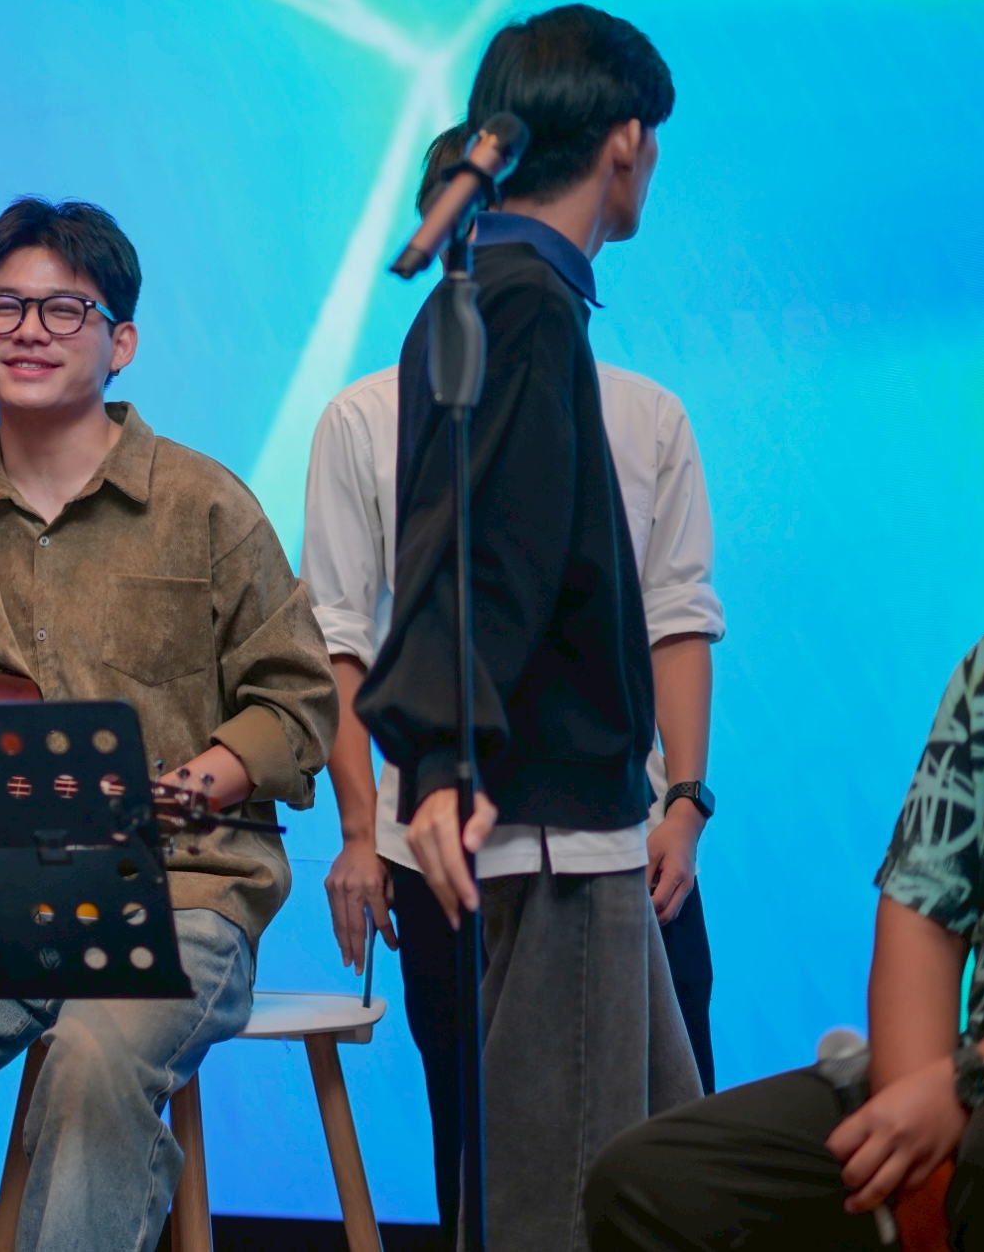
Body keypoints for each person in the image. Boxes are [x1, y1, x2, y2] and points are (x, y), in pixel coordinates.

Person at [0, 197, 338, 1252]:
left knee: (91, 1065)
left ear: (119, 342)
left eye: (63, 309)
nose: (29, 330)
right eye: (4, 307)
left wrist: (202, 779)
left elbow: (298, 698)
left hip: (181, 889)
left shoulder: (203, 504)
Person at [305, 122, 726, 1235]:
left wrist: (683, 805)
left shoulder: (644, 412)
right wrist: (362, 831)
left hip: (618, 831)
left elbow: (677, 619)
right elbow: (341, 635)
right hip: (442, 845)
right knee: (485, 1152)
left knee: (672, 1142)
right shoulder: (368, 413)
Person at [585, 359, 984, 1249]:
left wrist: (960, 1086)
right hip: (978, 1078)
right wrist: (916, 1123)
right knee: (647, 1179)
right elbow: (922, 914)